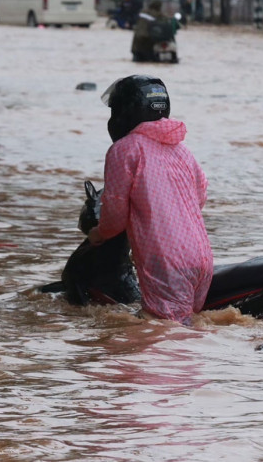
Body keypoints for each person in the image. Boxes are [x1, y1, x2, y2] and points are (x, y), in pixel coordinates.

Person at [88, 76, 213, 324]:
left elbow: (114, 212)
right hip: (202, 259)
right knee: (187, 334)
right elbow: (200, 196)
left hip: (166, 262)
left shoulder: (124, 149)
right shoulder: (181, 150)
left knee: (165, 342)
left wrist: (99, 234)